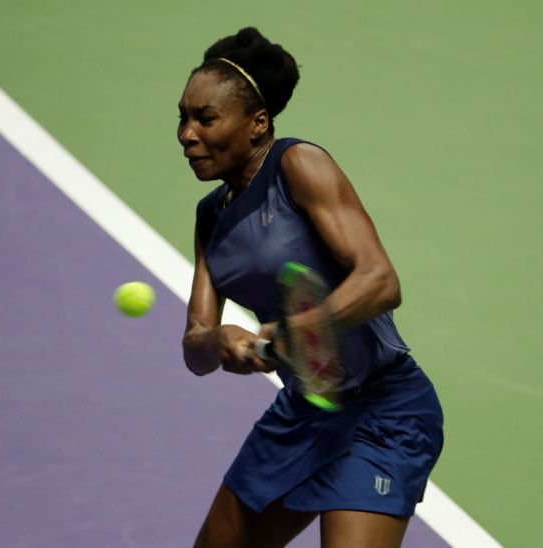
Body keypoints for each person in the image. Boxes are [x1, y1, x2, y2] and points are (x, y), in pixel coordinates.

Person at [179, 27, 444, 548]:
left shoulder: (298, 165)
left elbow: (380, 280)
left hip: (383, 412)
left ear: (257, 124)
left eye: (205, 118)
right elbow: (195, 345)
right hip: (304, 412)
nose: (188, 133)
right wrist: (220, 341)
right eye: (183, 118)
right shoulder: (211, 216)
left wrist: (299, 327)